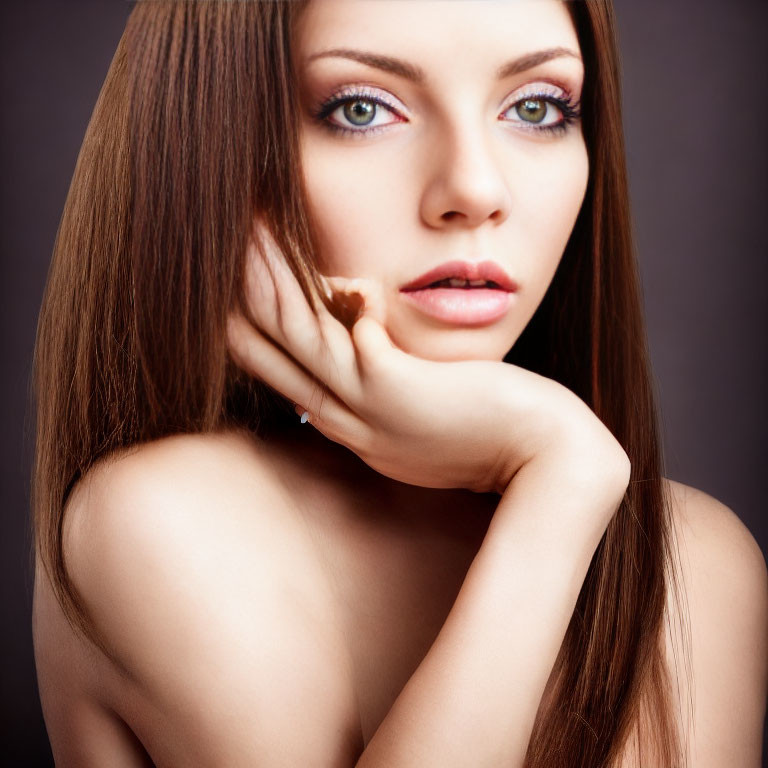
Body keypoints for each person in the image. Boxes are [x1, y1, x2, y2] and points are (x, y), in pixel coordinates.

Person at [30, 0, 767, 766]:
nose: (476, 189)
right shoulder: (164, 521)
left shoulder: (701, 564)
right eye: (361, 108)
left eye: (537, 107)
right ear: (217, 148)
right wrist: (561, 478)